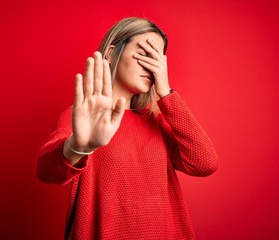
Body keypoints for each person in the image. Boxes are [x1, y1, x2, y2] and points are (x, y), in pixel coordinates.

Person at [37, 17, 218, 240]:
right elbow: (47, 171)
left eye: (158, 59)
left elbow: (205, 163)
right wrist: (78, 147)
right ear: (111, 53)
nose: (152, 66)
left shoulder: (156, 122)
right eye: (145, 53)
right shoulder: (83, 120)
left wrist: (166, 93)